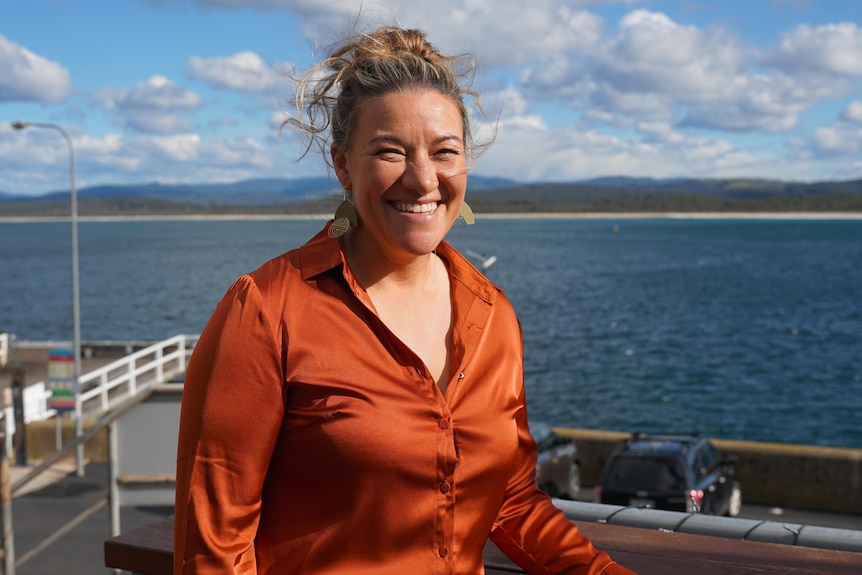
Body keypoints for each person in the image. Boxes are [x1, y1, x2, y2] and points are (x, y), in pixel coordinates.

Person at [172, 24, 637, 575]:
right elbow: (213, 551)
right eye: (391, 152)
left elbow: (510, 500)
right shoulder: (267, 309)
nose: (422, 180)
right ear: (343, 164)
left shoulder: (493, 316)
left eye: (445, 152)